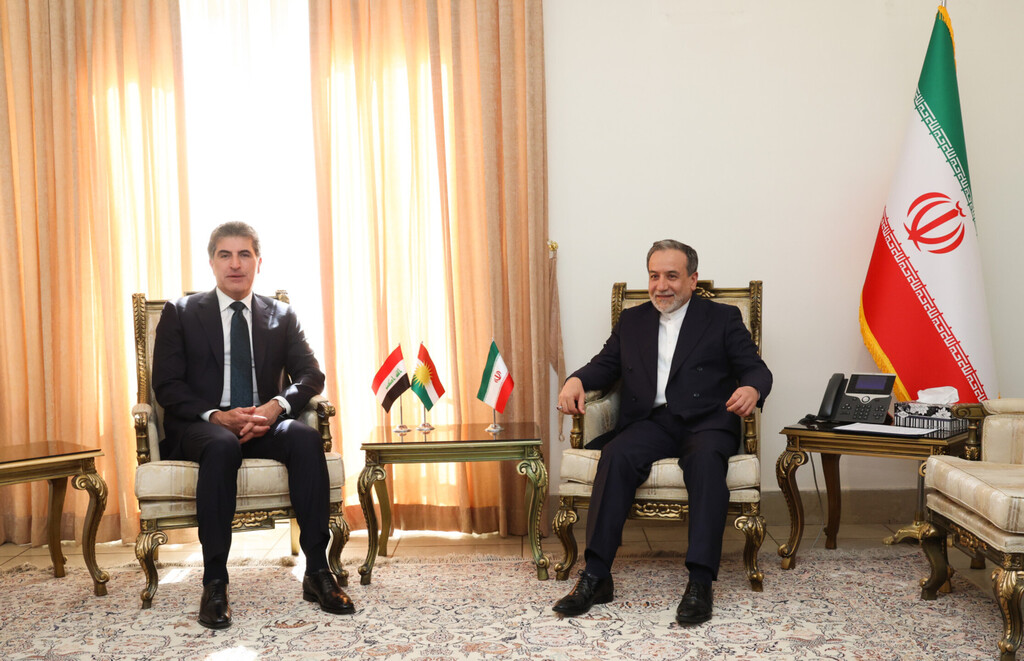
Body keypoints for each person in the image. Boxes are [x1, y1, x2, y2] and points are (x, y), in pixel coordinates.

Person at [552, 239, 772, 625]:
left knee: (706, 463)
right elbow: (605, 364)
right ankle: (597, 576)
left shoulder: (722, 317)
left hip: (706, 420)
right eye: (654, 276)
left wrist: (752, 388)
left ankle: (700, 582)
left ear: (692, 279)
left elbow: (755, 368)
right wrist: (575, 380)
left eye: (672, 275)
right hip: (651, 422)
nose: (661, 285)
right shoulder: (633, 320)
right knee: (616, 455)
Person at [152, 222, 354, 629]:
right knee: (222, 445)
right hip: (204, 426)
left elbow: (310, 374)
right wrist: (216, 416)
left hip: (264, 421)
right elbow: (166, 385)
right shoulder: (182, 313)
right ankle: (215, 583)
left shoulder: (281, 314)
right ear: (212, 262)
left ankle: (317, 572)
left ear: (258, 263)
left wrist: (276, 408)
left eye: (244, 254)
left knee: (304, 437)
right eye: (225, 255)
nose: (235, 264)